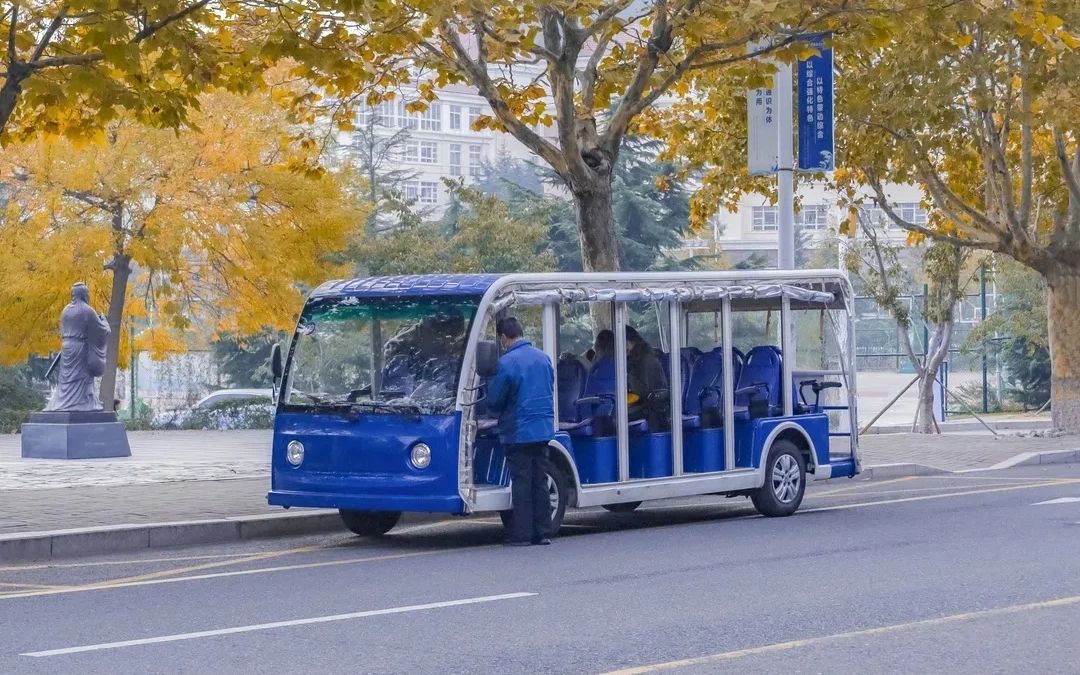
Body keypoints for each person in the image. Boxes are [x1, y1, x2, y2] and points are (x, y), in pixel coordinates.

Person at [485, 317, 557, 546]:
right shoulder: (543, 359)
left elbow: (495, 401)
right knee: (540, 481)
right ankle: (544, 532)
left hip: (518, 431)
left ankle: (523, 534)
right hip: (543, 430)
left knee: (522, 482)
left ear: (504, 338)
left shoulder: (506, 363)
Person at [625, 325, 670, 430]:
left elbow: (645, 391)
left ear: (631, 342)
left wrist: (627, 377)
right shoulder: (631, 360)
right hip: (639, 404)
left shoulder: (646, 360)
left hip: (651, 409)